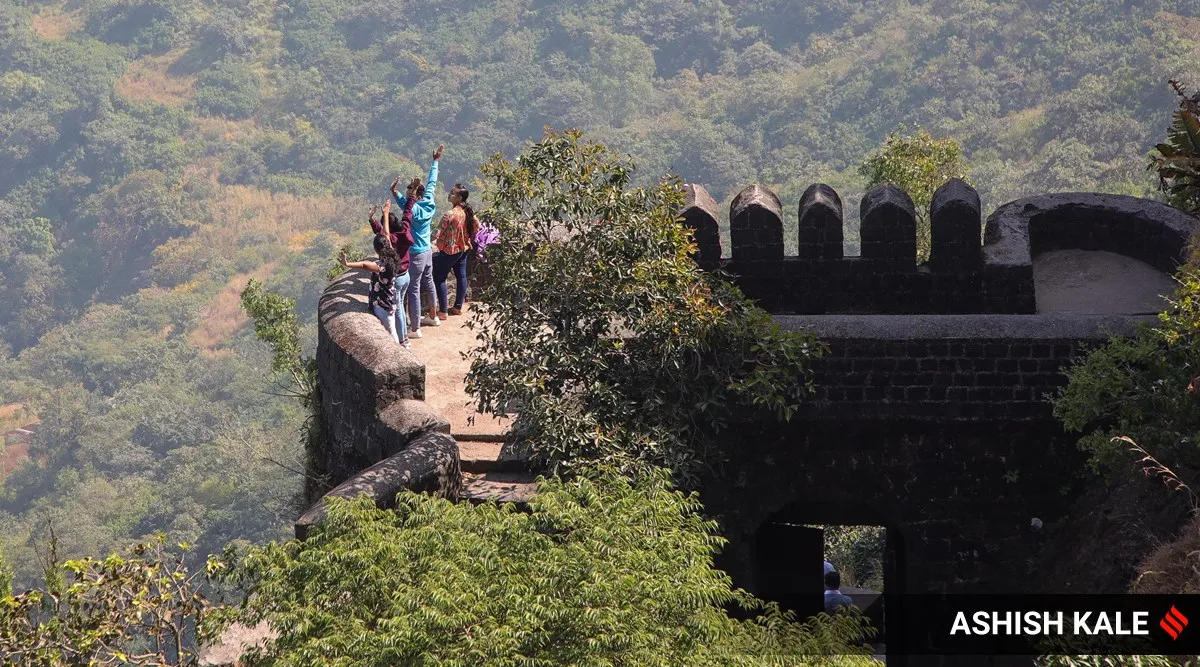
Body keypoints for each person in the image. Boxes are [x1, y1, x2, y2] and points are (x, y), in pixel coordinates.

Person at [342, 197, 414, 349]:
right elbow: (386, 234)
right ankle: (404, 340)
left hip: (385, 304)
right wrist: (385, 214)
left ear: (378, 250)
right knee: (399, 308)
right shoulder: (393, 253)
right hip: (402, 280)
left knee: (392, 328)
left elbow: (364, 265)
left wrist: (347, 263)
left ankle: (403, 345)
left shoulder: (384, 265)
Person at [392, 144, 443, 339]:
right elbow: (432, 183)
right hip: (428, 250)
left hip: (415, 253)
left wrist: (401, 194)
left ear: (416, 195)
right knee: (428, 281)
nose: (408, 197)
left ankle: (415, 328)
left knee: (413, 289)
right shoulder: (429, 201)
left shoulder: (414, 210)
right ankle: (433, 316)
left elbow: (407, 207)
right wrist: (435, 161)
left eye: (410, 194)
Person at [431, 184, 475, 318]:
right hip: (463, 248)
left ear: (459, 197)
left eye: (452, 193)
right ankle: (457, 307)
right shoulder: (467, 212)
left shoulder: (449, 215)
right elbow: (476, 226)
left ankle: (443, 311)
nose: (449, 194)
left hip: (450, 251)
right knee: (461, 276)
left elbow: (436, 233)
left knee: (439, 278)